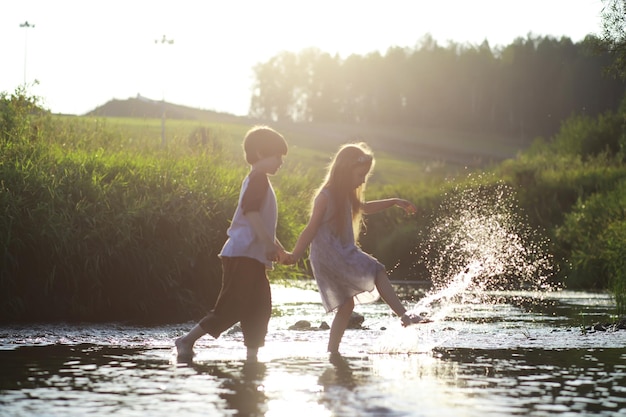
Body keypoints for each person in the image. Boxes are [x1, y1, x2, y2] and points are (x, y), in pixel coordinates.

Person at [283, 142, 429, 355]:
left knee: (346, 306)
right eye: (360, 174)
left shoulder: (347, 195)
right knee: (376, 269)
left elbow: (365, 207)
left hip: (338, 252)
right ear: (344, 171)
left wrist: (395, 201)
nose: (362, 180)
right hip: (330, 254)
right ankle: (405, 316)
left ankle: (332, 352)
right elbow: (311, 228)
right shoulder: (325, 196)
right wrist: (295, 254)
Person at [175, 125, 289, 362]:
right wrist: (268, 244)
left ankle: (252, 357)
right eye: (277, 156)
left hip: (252, 257)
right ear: (259, 153)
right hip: (242, 254)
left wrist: (276, 246)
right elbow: (251, 213)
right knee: (232, 305)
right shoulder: (258, 179)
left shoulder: (261, 181)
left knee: (260, 307)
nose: (281, 161)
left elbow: (263, 223)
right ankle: (187, 340)